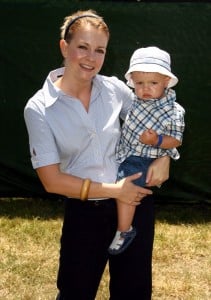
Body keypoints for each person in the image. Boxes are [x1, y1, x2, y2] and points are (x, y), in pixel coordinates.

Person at [24, 10, 170, 300]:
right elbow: (52, 181)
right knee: (75, 291)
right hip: (84, 213)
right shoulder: (39, 108)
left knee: (134, 292)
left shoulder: (116, 89)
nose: (91, 58)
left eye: (99, 50)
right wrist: (116, 190)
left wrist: (165, 156)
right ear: (64, 47)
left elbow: (156, 122)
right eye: (83, 47)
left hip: (135, 205)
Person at [108, 46, 185, 255]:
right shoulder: (134, 101)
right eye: (140, 83)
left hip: (143, 160)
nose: (146, 88)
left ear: (166, 82)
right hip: (124, 154)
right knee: (117, 187)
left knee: (125, 188)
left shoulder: (173, 110)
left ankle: (124, 230)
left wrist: (158, 140)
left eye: (153, 83)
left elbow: (176, 140)